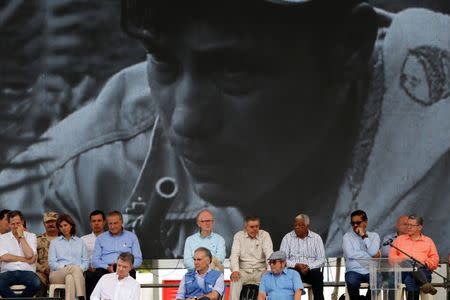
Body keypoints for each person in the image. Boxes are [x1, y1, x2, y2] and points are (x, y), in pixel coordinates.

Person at [1, 0, 450, 259]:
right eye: (163, 61)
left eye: (235, 72)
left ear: (349, 49)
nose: (184, 120)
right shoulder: (78, 179)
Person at [86, 210, 142, 299]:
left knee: (131, 273)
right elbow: (95, 261)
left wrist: (125, 266)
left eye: (115, 223)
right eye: (110, 224)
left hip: (126, 268)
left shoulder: (132, 237)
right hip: (105, 269)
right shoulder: (101, 238)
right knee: (90, 275)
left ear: (122, 222)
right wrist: (108, 267)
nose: (112, 226)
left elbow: (138, 260)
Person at [388, 215, 439, 299]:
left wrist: (425, 264)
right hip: (403, 272)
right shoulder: (399, 240)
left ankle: (423, 281)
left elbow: (435, 258)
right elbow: (391, 257)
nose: (408, 227)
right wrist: (404, 261)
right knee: (410, 268)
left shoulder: (428, 241)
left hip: (423, 270)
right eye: (407, 224)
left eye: (411, 225)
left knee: (411, 278)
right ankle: (425, 283)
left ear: (419, 227)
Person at [280, 213, 326, 300]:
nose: (297, 227)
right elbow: (283, 259)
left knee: (318, 276)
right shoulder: (287, 238)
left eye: (300, 225)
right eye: (295, 225)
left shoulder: (316, 238)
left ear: (307, 226)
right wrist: (296, 265)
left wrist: (309, 267)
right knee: (290, 275)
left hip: (310, 271)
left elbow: (321, 259)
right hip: (294, 270)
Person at [229, 216, 273, 300]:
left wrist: (269, 270)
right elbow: (234, 255)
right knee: (234, 281)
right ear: (245, 227)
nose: (255, 229)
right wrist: (235, 271)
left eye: (257, 226)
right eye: (252, 227)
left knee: (271, 278)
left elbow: (269, 253)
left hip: (260, 271)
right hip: (243, 271)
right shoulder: (238, 236)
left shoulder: (265, 235)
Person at [0, 210, 41, 297]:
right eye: (12, 224)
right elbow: (4, 257)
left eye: (18, 223)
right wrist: (26, 260)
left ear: (22, 222)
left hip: (27, 272)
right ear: (9, 224)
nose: (15, 226)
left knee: (36, 283)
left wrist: (21, 236)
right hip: (8, 272)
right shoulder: (2, 238)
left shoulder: (31, 236)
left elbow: (29, 255)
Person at [48, 214, 88, 300]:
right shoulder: (54, 243)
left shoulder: (80, 242)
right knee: (73, 269)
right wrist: (65, 267)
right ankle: (81, 296)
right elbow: (52, 263)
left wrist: (79, 269)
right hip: (57, 274)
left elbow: (86, 262)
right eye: (61, 226)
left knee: (69, 278)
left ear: (71, 225)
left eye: (65, 225)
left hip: (76, 275)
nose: (63, 228)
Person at [343, 210, 381, 300]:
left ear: (366, 222)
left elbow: (373, 253)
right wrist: (371, 256)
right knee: (351, 282)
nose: (355, 225)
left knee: (379, 281)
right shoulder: (347, 236)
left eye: (358, 222)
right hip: (354, 271)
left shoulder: (374, 236)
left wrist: (364, 236)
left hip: (371, 270)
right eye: (353, 223)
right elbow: (350, 254)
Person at [36, 211, 59, 297]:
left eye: (53, 221)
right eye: (48, 222)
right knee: (37, 281)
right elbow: (33, 261)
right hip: (42, 273)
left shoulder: (64, 239)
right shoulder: (37, 240)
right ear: (44, 224)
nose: (50, 224)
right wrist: (44, 270)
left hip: (59, 271)